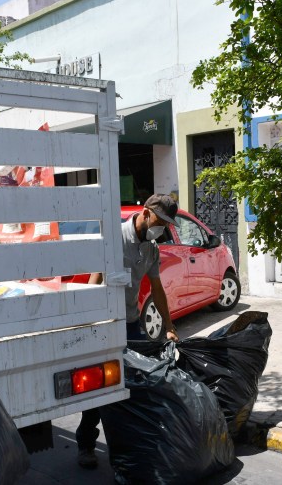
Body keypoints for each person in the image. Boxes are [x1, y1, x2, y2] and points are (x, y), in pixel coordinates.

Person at [76, 193, 181, 469]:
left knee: (134, 383)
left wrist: (169, 327)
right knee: (100, 387)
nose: (163, 229)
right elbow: (94, 280)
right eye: (161, 222)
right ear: (146, 213)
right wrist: (92, 324)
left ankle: (130, 442)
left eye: (168, 225)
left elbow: (156, 289)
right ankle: (86, 443)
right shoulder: (114, 238)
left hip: (132, 324)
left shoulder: (151, 249)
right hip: (107, 324)